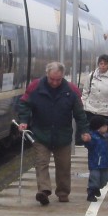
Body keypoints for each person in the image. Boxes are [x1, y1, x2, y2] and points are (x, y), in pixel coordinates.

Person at [16, 61, 91, 205]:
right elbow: (24, 104)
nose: (55, 83)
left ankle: (63, 192)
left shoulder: (71, 90)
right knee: (41, 162)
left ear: (63, 76)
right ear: (47, 75)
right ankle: (44, 191)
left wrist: (84, 131)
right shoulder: (35, 87)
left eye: (58, 79)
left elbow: (80, 114)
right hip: (41, 133)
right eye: (52, 79)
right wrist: (24, 120)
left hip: (62, 135)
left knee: (63, 166)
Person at [82, 54, 108, 129]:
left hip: (105, 113)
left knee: (103, 136)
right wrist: (82, 105)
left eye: (105, 64)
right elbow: (85, 92)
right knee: (90, 135)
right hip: (90, 111)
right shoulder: (91, 77)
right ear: (98, 64)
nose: (103, 66)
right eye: (101, 63)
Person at [84, 114, 108, 202]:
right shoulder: (93, 137)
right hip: (95, 163)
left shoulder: (106, 137)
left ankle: (97, 188)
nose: (106, 127)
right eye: (104, 126)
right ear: (98, 127)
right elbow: (89, 145)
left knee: (105, 179)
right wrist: (87, 140)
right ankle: (91, 192)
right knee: (95, 178)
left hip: (105, 162)